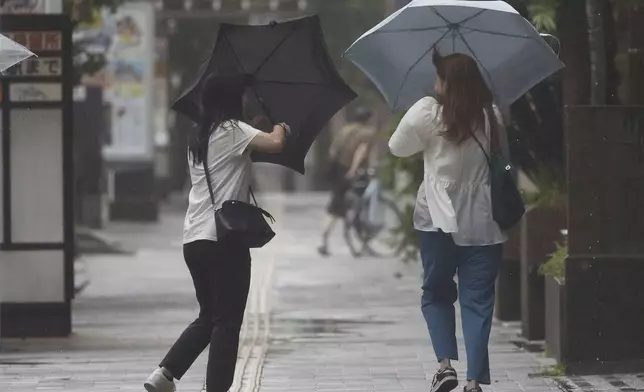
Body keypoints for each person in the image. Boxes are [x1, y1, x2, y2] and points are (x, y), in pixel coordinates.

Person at [144, 75, 291, 392]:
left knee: (210, 315)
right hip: (224, 240)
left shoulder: (198, 135)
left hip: (194, 239)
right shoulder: (233, 130)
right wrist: (280, 123)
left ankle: (164, 375)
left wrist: (257, 124)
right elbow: (276, 143)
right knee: (227, 322)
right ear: (231, 99)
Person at [388, 50, 509, 392]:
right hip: (483, 223)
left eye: (439, 77)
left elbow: (397, 147)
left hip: (435, 220)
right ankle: (473, 382)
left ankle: (445, 366)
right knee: (478, 300)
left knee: (436, 293)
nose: (435, 83)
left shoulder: (428, 114)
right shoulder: (491, 116)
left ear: (447, 83)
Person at [318, 108, 375, 256]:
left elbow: (333, 151)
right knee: (357, 204)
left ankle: (326, 238)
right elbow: (360, 152)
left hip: (338, 170)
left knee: (337, 204)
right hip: (351, 172)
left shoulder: (345, 130)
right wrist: (353, 169)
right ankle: (360, 236)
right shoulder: (366, 133)